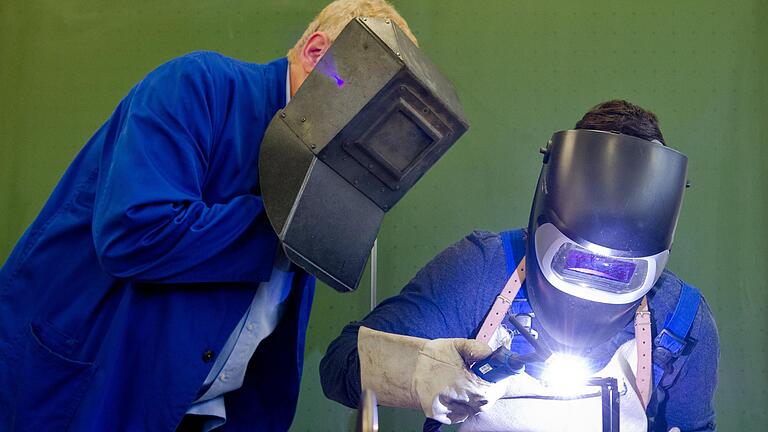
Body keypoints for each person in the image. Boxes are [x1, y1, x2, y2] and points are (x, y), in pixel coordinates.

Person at [0, 1, 422, 431]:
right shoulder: (197, 86)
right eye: (370, 92)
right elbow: (134, 232)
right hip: (80, 395)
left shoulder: (316, 164)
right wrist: (293, 216)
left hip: (198, 413)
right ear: (317, 53)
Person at [320, 100, 720, 432]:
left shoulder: (680, 321)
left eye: (616, 272)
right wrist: (416, 371)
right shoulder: (481, 269)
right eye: (579, 260)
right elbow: (340, 363)